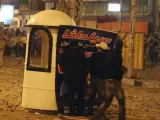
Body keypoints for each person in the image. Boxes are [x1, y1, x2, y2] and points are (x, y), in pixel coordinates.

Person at [90, 39, 126, 120]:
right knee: (121, 102)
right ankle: (122, 118)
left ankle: (95, 117)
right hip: (116, 82)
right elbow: (117, 69)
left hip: (107, 81)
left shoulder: (110, 54)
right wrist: (121, 72)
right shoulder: (118, 55)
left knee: (106, 101)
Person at [59, 41, 88, 116]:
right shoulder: (81, 53)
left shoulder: (67, 52)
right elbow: (85, 64)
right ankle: (81, 112)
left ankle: (71, 112)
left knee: (71, 94)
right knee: (80, 95)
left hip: (70, 77)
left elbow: (61, 62)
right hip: (81, 77)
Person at [88, 42, 110, 116]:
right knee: (101, 97)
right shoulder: (107, 58)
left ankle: (89, 112)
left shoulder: (94, 55)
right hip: (102, 80)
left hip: (93, 78)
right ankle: (100, 113)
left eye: (98, 48)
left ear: (100, 49)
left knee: (92, 96)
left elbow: (89, 66)